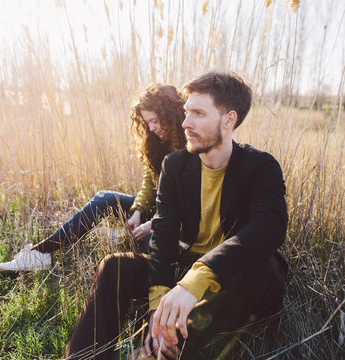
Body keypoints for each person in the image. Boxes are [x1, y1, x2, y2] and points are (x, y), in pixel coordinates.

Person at [62, 72, 289, 359]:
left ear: (229, 120)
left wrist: (197, 279)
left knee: (266, 268)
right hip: (184, 268)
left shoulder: (261, 166)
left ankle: (157, 347)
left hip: (232, 278)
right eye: (186, 112)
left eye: (198, 113)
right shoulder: (175, 165)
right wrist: (158, 303)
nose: (185, 123)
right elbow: (164, 234)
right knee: (114, 267)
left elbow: (269, 228)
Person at [0, 84, 186, 272]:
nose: (152, 128)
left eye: (155, 121)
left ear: (169, 114)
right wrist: (138, 210)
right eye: (147, 123)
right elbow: (149, 182)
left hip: (178, 222)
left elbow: (189, 205)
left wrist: (151, 225)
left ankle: (123, 241)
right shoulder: (156, 141)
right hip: (157, 211)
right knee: (104, 198)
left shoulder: (191, 143)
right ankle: (40, 253)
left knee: (150, 246)